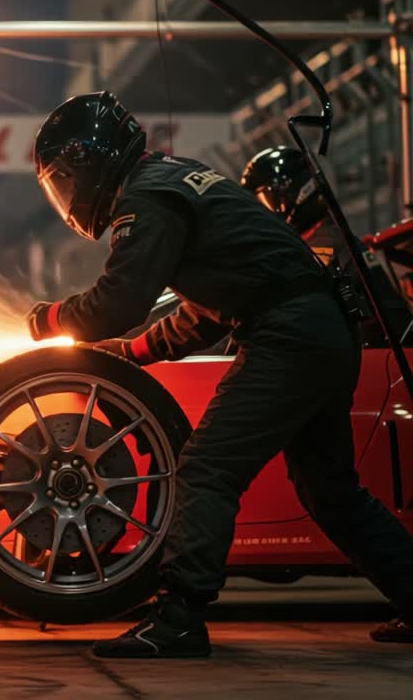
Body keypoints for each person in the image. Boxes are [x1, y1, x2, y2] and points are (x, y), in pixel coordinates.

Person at [25, 91, 413, 658]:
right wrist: (134, 353)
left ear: (90, 159)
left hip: (289, 334)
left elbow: (120, 299)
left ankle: (180, 617)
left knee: (206, 467)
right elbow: (208, 312)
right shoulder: (174, 179)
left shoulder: (147, 197)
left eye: (63, 179)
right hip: (319, 329)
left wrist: (51, 319)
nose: (67, 196)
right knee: (331, 492)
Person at [240, 145, 413, 343]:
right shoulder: (320, 246)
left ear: (298, 193)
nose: (261, 215)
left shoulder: (324, 255)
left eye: (265, 201)